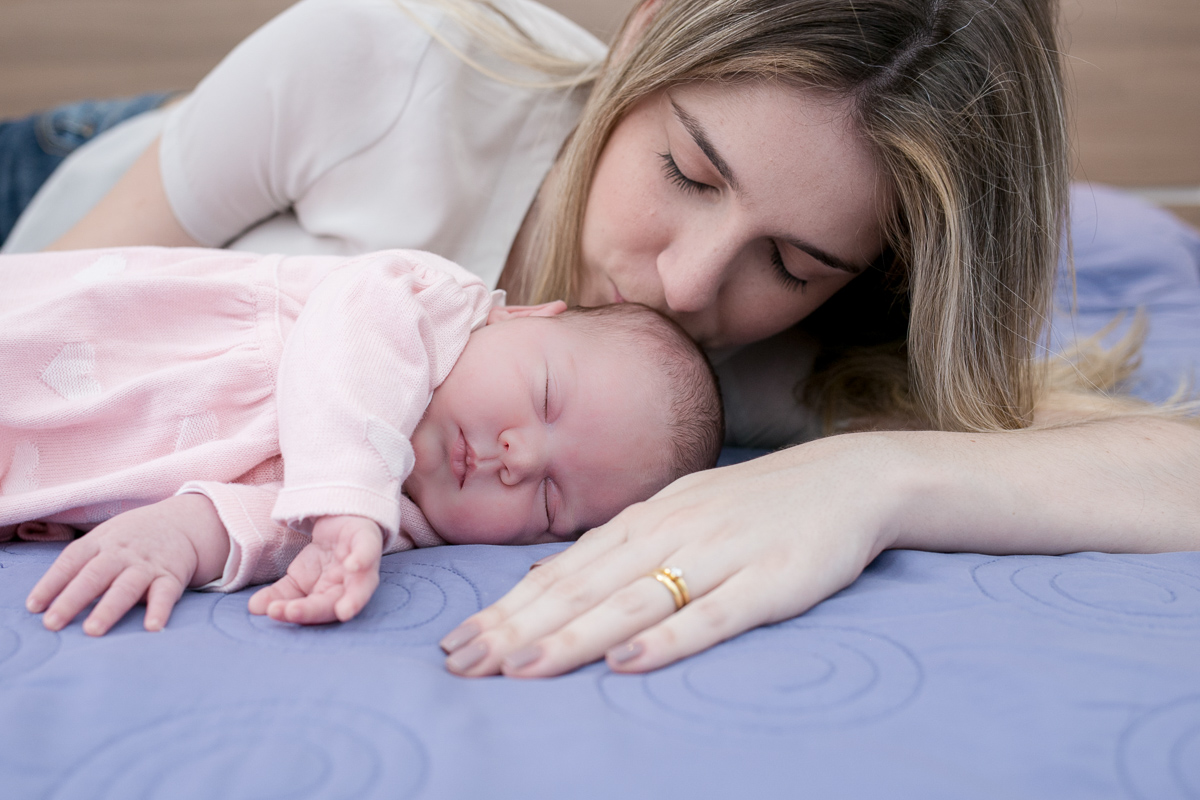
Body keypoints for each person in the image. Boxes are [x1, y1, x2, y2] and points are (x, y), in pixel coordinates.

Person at [1, 0, 1197, 676]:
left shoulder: (779, 366)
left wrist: (871, 475)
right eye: (685, 170)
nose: (687, 282)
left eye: (794, 260)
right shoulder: (386, 64)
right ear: (641, 38)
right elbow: (60, 294)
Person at [4, 246, 723, 637]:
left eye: (551, 498)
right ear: (520, 316)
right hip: (71, 344)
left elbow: (271, 527)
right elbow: (351, 339)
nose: (521, 457)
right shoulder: (424, 301)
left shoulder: (395, 525)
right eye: (544, 397)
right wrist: (348, 502)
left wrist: (180, 535)